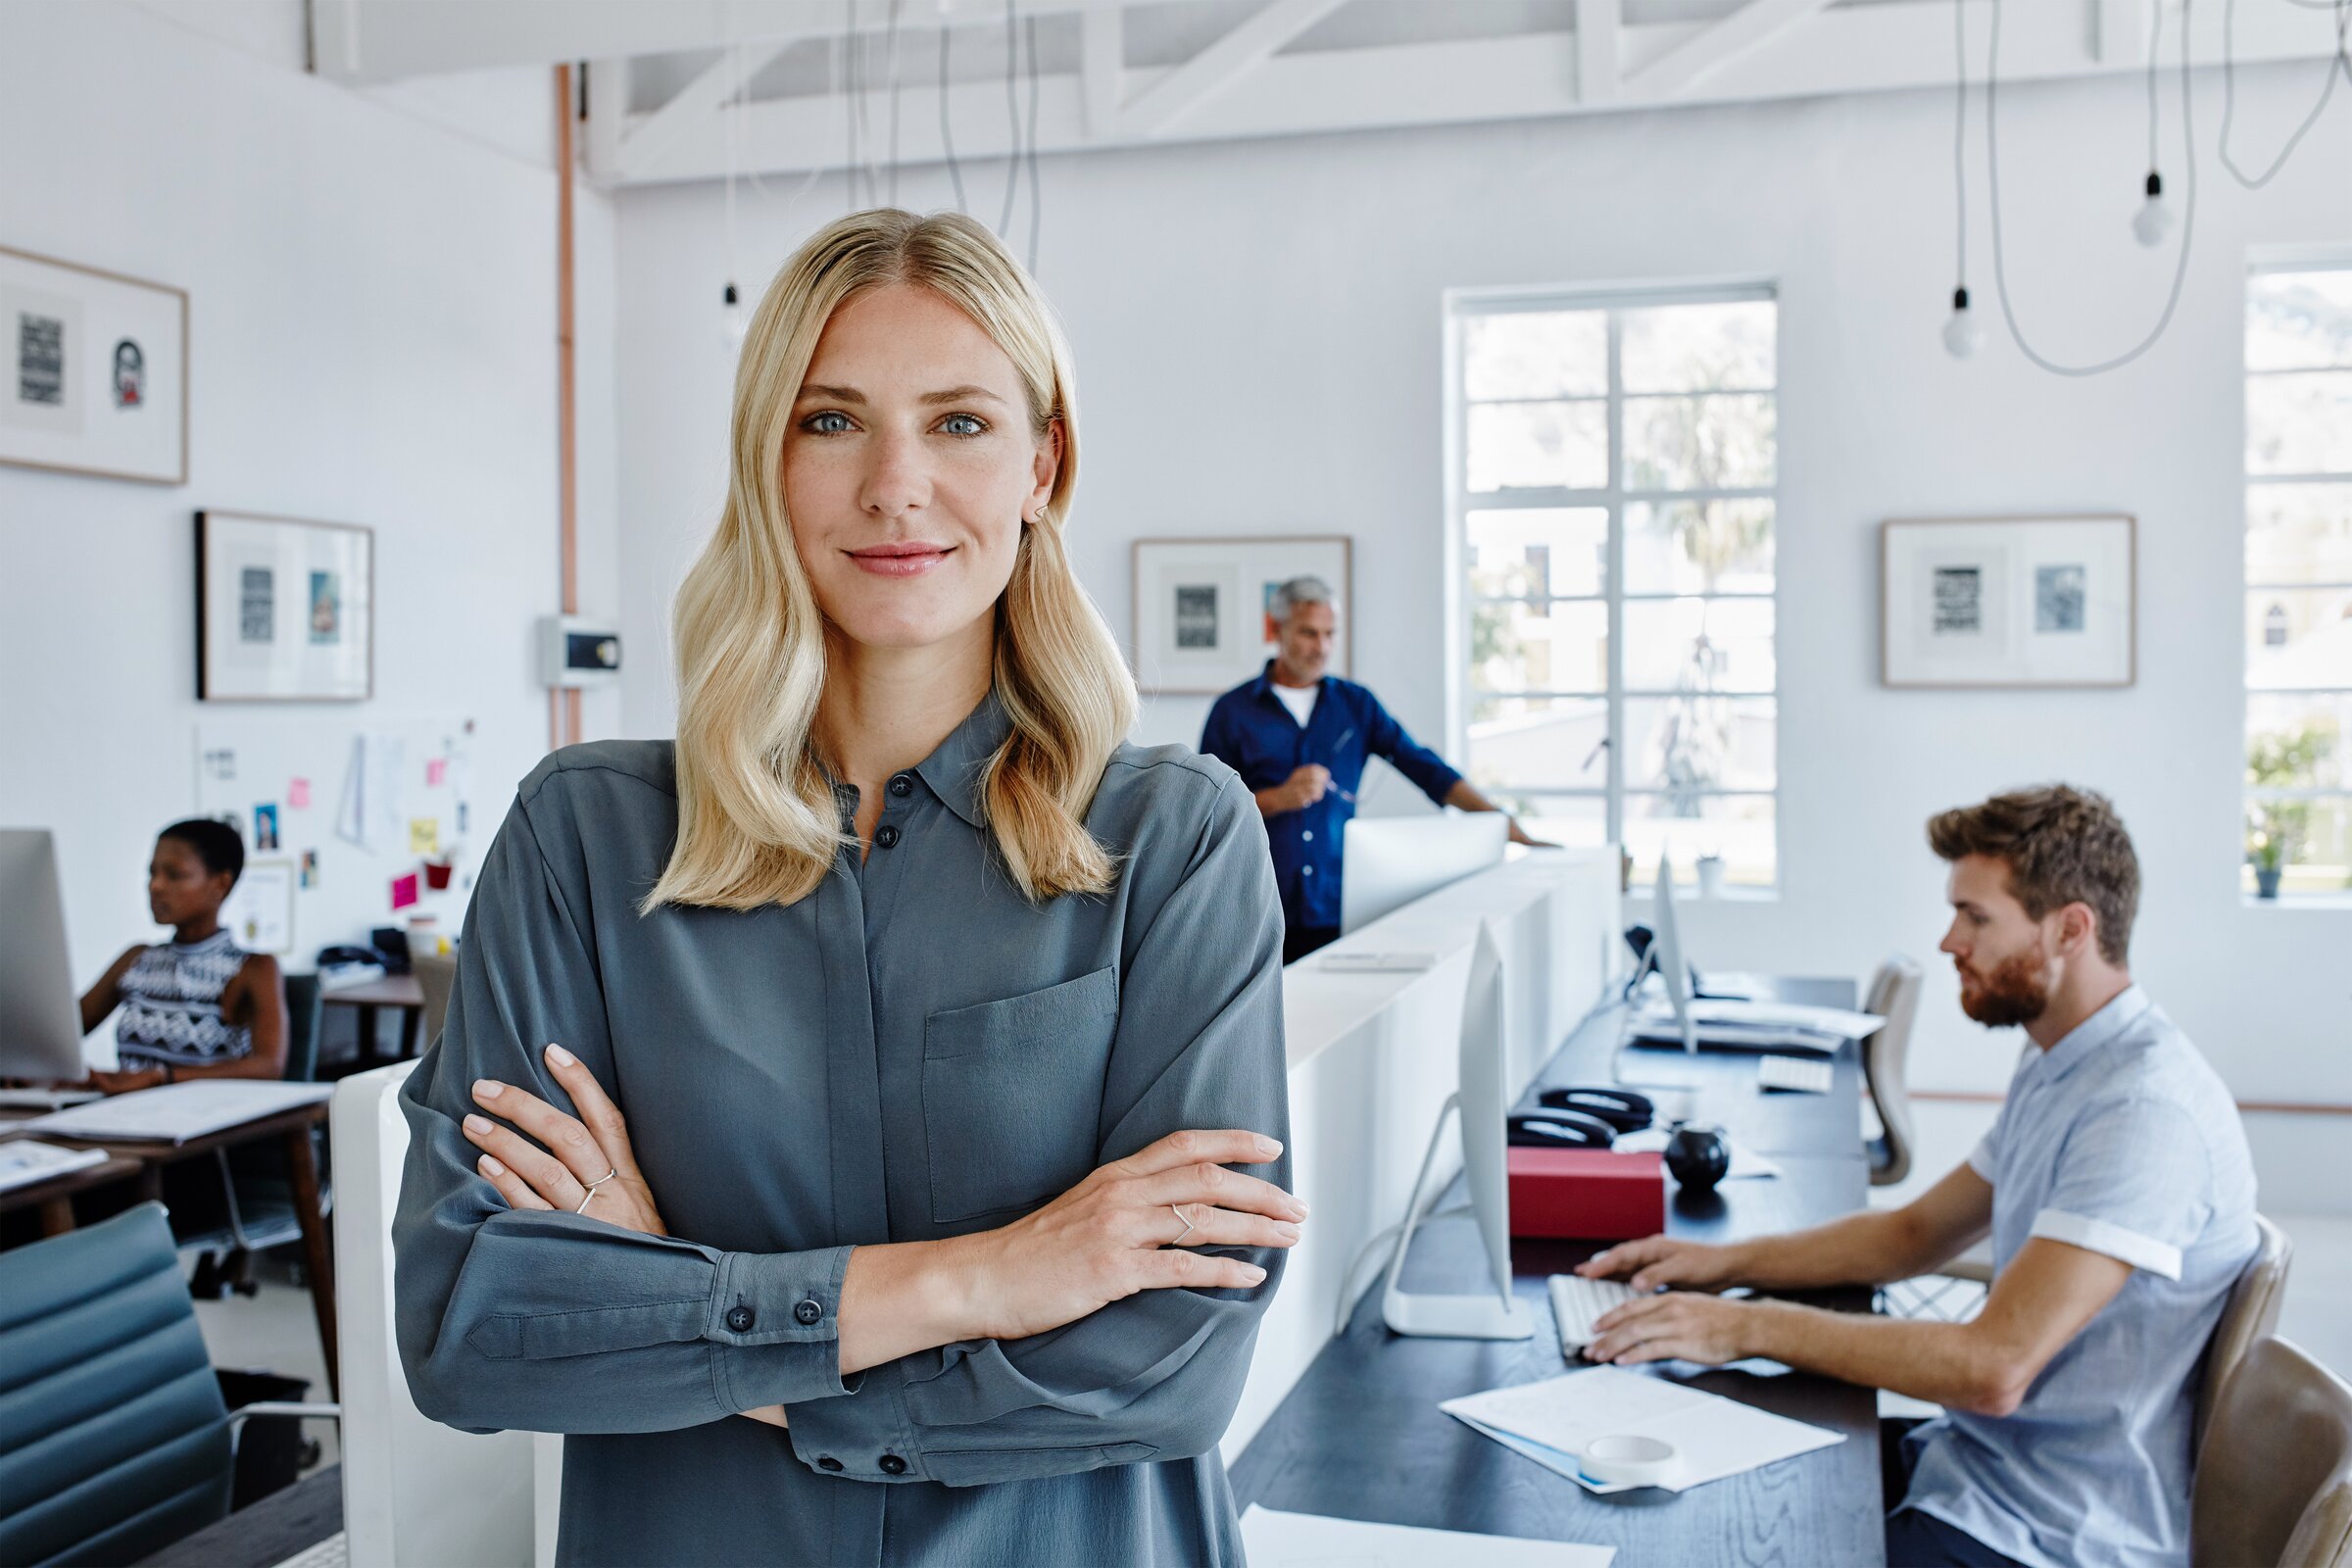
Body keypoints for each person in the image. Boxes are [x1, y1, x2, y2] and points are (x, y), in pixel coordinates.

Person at [392, 210, 1302, 1567]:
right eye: (831, 421)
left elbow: (1169, 1370)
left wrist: (686, 1308)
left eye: (960, 423)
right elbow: (475, 1326)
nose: (894, 484)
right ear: (768, 458)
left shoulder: (1173, 840)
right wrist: (990, 1275)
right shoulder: (583, 840)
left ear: (1044, 463)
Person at [1573, 785, 2256, 1568]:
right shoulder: (2063, 1060)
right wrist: (1721, 1266)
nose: (1949, 942)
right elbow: (1915, 1233)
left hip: (2049, 1535)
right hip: (1979, 1468)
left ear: (2072, 929)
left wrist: (1743, 1325)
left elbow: (1994, 1368)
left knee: (1717, 1539)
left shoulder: (2143, 1112)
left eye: (1976, 917)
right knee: (1686, 1460)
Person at [1198, 575, 1549, 963]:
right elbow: (1207, 815)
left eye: (1330, 634)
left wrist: (1508, 827)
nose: (1322, 648)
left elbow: (1426, 768)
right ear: (1274, 629)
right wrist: (1277, 799)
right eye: (1308, 634)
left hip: (1339, 909)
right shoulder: (1232, 712)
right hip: (1256, 908)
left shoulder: (1356, 705)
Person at [76, 817, 287, 1093]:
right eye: (152, 873)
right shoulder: (137, 960)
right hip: (126, 1116)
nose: (156, 886)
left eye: (174, 875)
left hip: (205, 1125)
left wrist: (160, 1078)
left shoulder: (252, 968)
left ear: (220, 885)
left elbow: (268, 1067)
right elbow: (61, 1035)